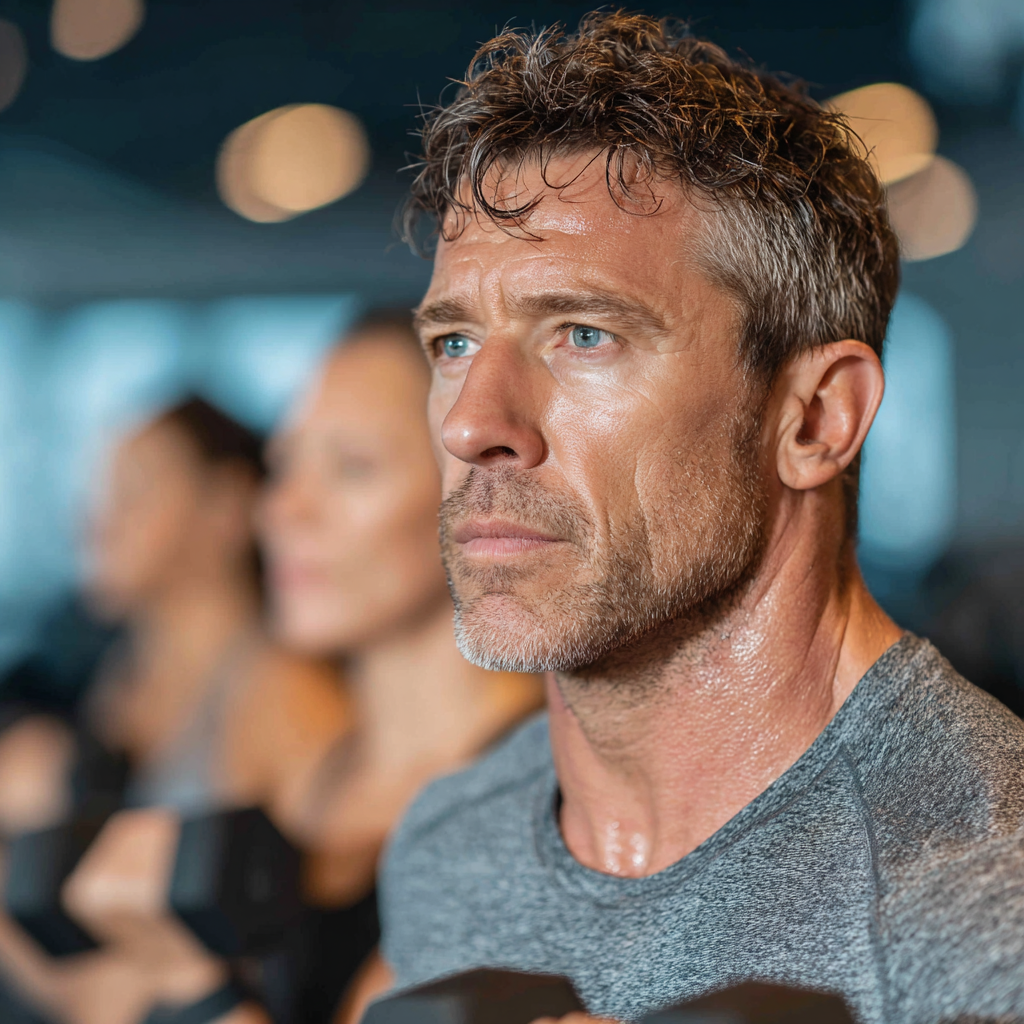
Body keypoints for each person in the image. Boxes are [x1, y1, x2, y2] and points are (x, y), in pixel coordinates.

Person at [352, 13, 1024, 1024]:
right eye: (453, 344)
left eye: (584, 333)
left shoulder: (981, 899)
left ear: (815, 418)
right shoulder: (452, 845)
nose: (472, 426)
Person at [0, 397, 347, 1024]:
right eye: (99, 493)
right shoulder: (115, 680)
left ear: (226, 507)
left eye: (134, 491)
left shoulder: (281, 692)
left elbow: (308, 968)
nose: (98, 519)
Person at [257, 308, 544, 1021]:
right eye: (283, 464)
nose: (286, 509)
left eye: (353, 467)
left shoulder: (540, 789)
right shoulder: (316, 774)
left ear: (473, 491)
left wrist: (180, 989)